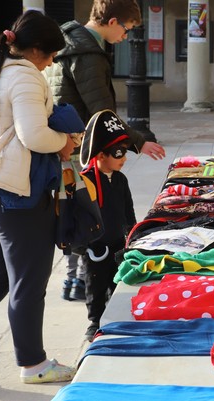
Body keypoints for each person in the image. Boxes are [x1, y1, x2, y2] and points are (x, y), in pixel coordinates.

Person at [43, 0, 166, 301]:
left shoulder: (68, 40)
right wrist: (137, 141)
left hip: (65, 142)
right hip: (81, 147)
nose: (125, 36)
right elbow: (101, 112)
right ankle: (85, 281)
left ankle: (74, 280)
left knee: (70, 207)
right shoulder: (89, 54)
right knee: (85, 210)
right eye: (126, 29)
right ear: (112, 22)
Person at [0, 10, 78, 384]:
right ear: (36, 49)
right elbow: (35, 136)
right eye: (51, 54)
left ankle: (32, 361)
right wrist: (65, 144)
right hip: (15, 193)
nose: (51, 62)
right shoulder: (23, 75)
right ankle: (34, 364)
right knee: (28, 279)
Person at [79, 109, 137, 341]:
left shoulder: (121, 179)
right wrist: (85, 245)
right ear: (101, 155)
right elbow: (79, 217)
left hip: (118, 243)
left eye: (124, 153)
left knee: (117, 281)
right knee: (95, 284)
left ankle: (116, 317)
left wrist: (133, 235)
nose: (123, 159)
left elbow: (128, 211)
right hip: (95, 248)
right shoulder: (87, 181)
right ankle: (95, 321)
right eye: (118, 153)